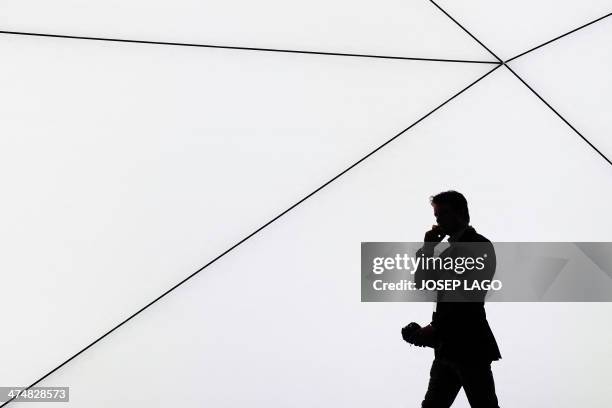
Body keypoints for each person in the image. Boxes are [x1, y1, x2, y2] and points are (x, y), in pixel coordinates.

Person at [402, 191, 501, 408]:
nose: (438, 221)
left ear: (459, 213)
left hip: (468, 345)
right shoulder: (449, 252)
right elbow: (424, 283)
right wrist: (428, 249)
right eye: (436, 216)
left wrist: (433, 329)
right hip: (451, 346)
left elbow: (464, 297)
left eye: (442, 214)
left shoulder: (478, 245)